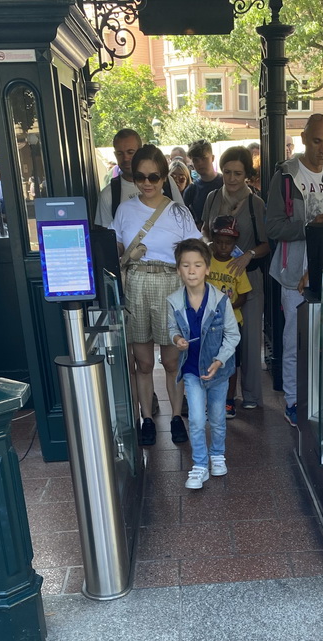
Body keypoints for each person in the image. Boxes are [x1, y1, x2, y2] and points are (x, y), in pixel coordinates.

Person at [111, 145, 200, 446]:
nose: (147, 183)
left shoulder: (178, 212)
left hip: (170, 285)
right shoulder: (124, 210)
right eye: (140, 177)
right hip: (136, 283)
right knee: (143, 362)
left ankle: (177, 417)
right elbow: (117, 249)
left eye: (154, 177)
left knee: (173, 361)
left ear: (164, 177)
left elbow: (197, 252)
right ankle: (146, 418)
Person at [266, 112, 323, 427]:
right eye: (317, 140)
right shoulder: (286, 175)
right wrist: (310, 226)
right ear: (304, 138)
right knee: (294, 339)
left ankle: (322, 399)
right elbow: (273, 226)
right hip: (293, 271)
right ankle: (292, 401)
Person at [201, 145, 270, 411]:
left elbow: (267, 244)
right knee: (213, 340)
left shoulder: (256, 203)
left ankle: (251, 396)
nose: (231, 178)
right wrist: (209, 245)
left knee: (250, 342)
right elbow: (205, 230)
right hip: (216, 278)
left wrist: (248, 255)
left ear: (247, 175)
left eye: (238, 173)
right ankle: (219, 397)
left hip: (246, 278)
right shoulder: (211, 198)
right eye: (227, 172)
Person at [168, 238, 240, 489]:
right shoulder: (175, 301)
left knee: (218, 418)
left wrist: (220, 360)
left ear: (207, 268)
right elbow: (171, 329)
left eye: (197, 265)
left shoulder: (220, 301)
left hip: (218, 373)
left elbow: (233, 335)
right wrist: (177, 338)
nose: (191, 271)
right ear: (178, 270)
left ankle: (217, 454)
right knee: (197, 419)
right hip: (191, 371)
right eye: (186, 265)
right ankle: (199, 464)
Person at [207, 215, 252, 418]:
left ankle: (228, 400)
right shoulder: (206, 264)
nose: (223, 246)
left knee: (230, 363)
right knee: (209, 361)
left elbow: (244, 295)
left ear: (235, 243)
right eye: (219, 242)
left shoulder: (237, 266)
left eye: (228, 243)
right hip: (207, 324)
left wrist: (227, 308)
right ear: (213, 241)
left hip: (232, 324)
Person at [95, 129, 183, 229]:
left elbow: (183, 221)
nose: (125, 158)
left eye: (130, 152)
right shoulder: (109, 194)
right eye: (120, 154)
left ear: (140, 152)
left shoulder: (167, 182)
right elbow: (107, 237)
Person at [184, 140, 223, 227]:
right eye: (195, 160)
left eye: (203, 158)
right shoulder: (191, 191)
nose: (200, 163)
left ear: (212, 158)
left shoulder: (226, 183)